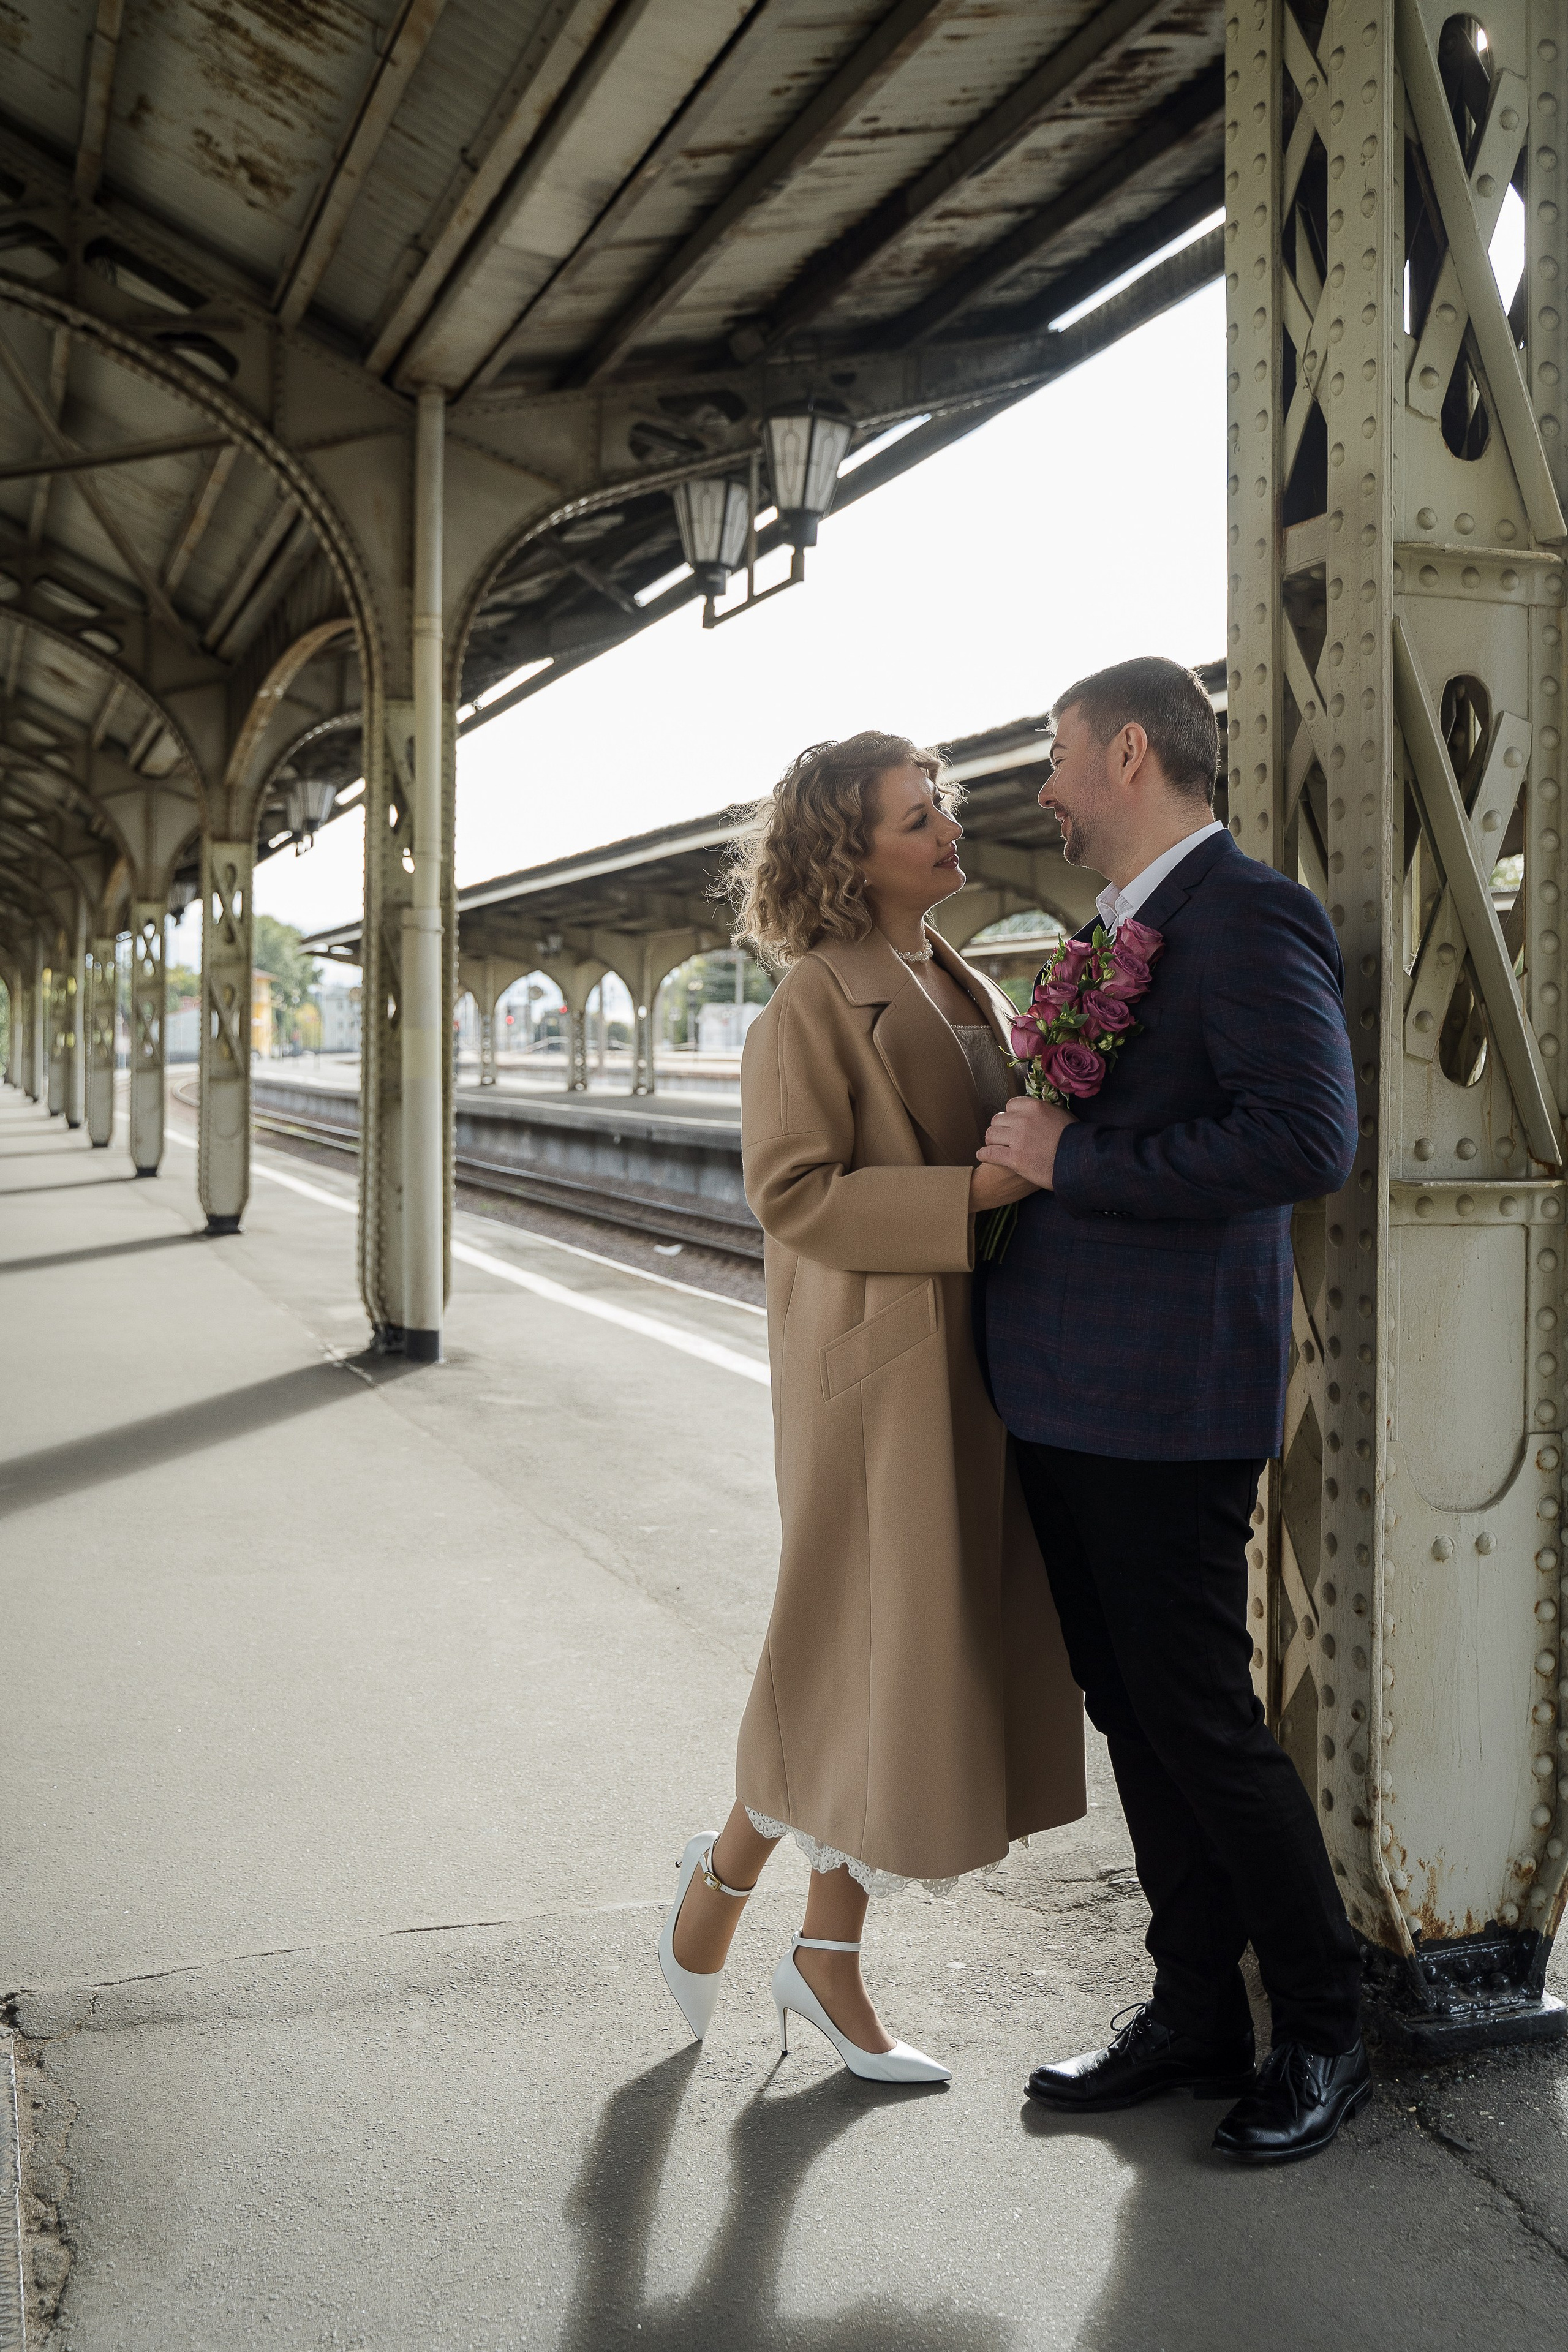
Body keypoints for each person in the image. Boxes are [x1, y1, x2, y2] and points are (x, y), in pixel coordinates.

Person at [977, 656, 1367, 2164]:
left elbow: (1302, 1138)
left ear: (1128, 752)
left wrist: (1069, 1162)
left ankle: (1322, 2023)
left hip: (1164, 1401)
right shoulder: (1116, 929)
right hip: (1067, 1394)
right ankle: (1193, 2010)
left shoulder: (1247, 914)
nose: (1044, 791)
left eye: (1056, 757)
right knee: (1132, 1712)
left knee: (1198, 1717)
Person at [657, 731, 1085, 2083]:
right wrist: (976, 1193)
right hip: (878, 1372)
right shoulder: (809, 1003)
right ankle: (756, 1908)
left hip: (970, 1354)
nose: (948, 828)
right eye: (916, 817)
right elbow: (791, 1193)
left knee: (891, 1658)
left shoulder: (955, 975)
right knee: (859, 1643)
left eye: (938, 804)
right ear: (851, 856)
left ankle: (785, 1926)